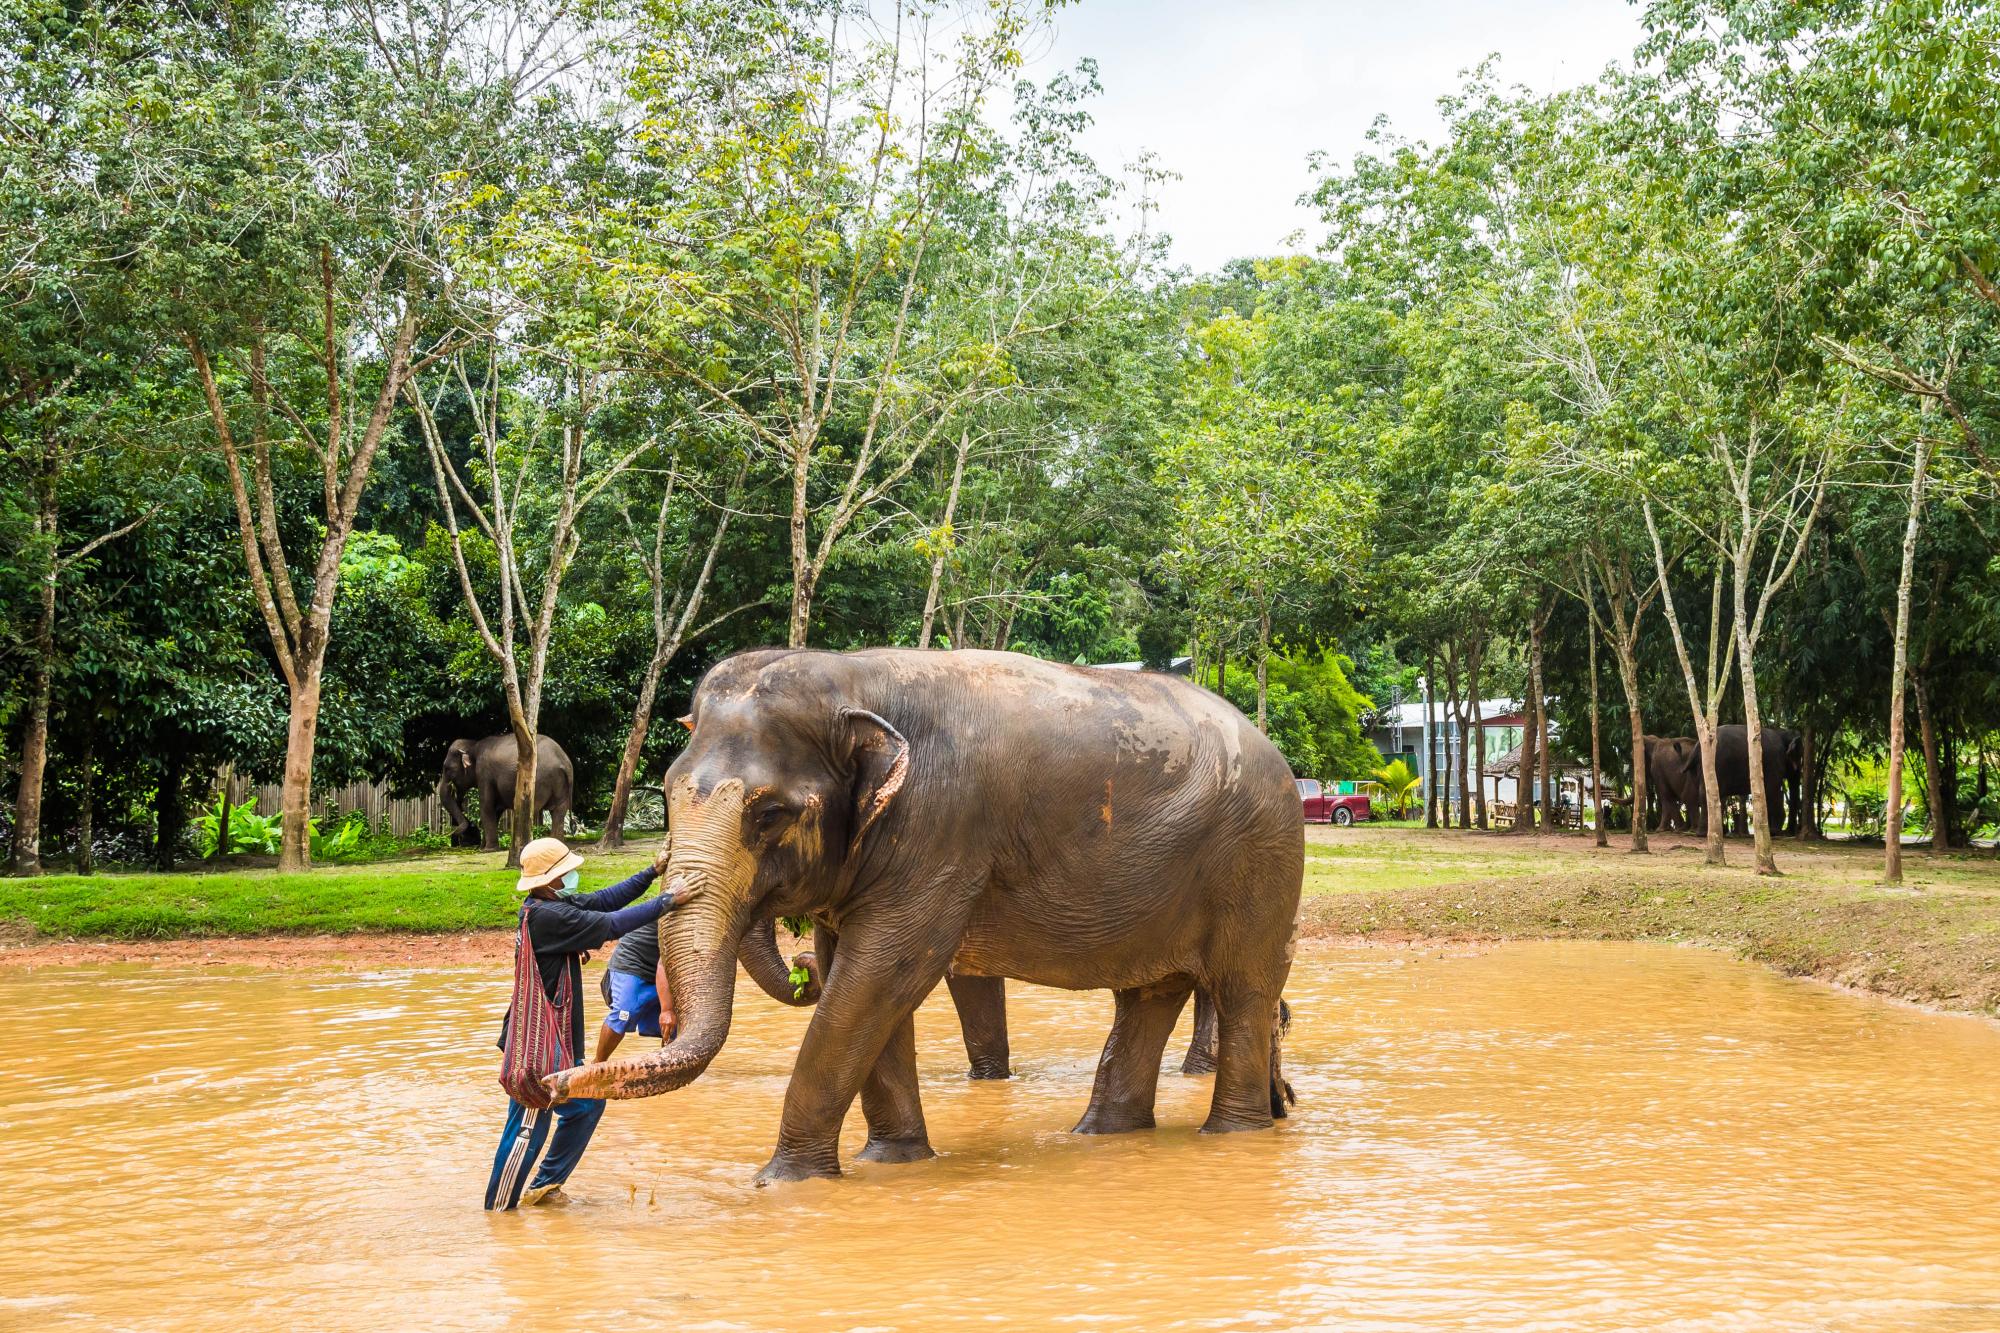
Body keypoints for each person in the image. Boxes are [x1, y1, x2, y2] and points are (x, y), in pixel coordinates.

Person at [485, 836, 691, 1211]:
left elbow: (603, 901)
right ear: (552, 879)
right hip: (537, 1052)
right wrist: (667, 901)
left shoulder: (550, 904)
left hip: (556, 1045)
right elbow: (612, 924)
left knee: (586, 1106)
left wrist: (652, 872)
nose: (574, 876)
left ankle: (544, 1188)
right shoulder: (549, 916)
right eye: (567, 871)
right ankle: (500, 1212)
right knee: (528, 1129)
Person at [594, 899, 667, 1064]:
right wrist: (667, 1009)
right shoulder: (670, 903)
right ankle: (598, 1064)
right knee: (623, 1014)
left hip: (660, 969)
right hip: (632, 965)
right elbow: (664, 963)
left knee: (675, 1023)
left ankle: (670, 1065)